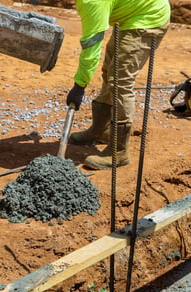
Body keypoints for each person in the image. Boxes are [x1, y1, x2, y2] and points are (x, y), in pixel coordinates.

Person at [66, 0, 171, 170]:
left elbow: (91, 47)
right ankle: (101, 129)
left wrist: (79, 85)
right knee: (110, 70)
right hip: (133, 14)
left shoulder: (91, 2)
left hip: (149, 17)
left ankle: (119, 151)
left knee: (120, 81)